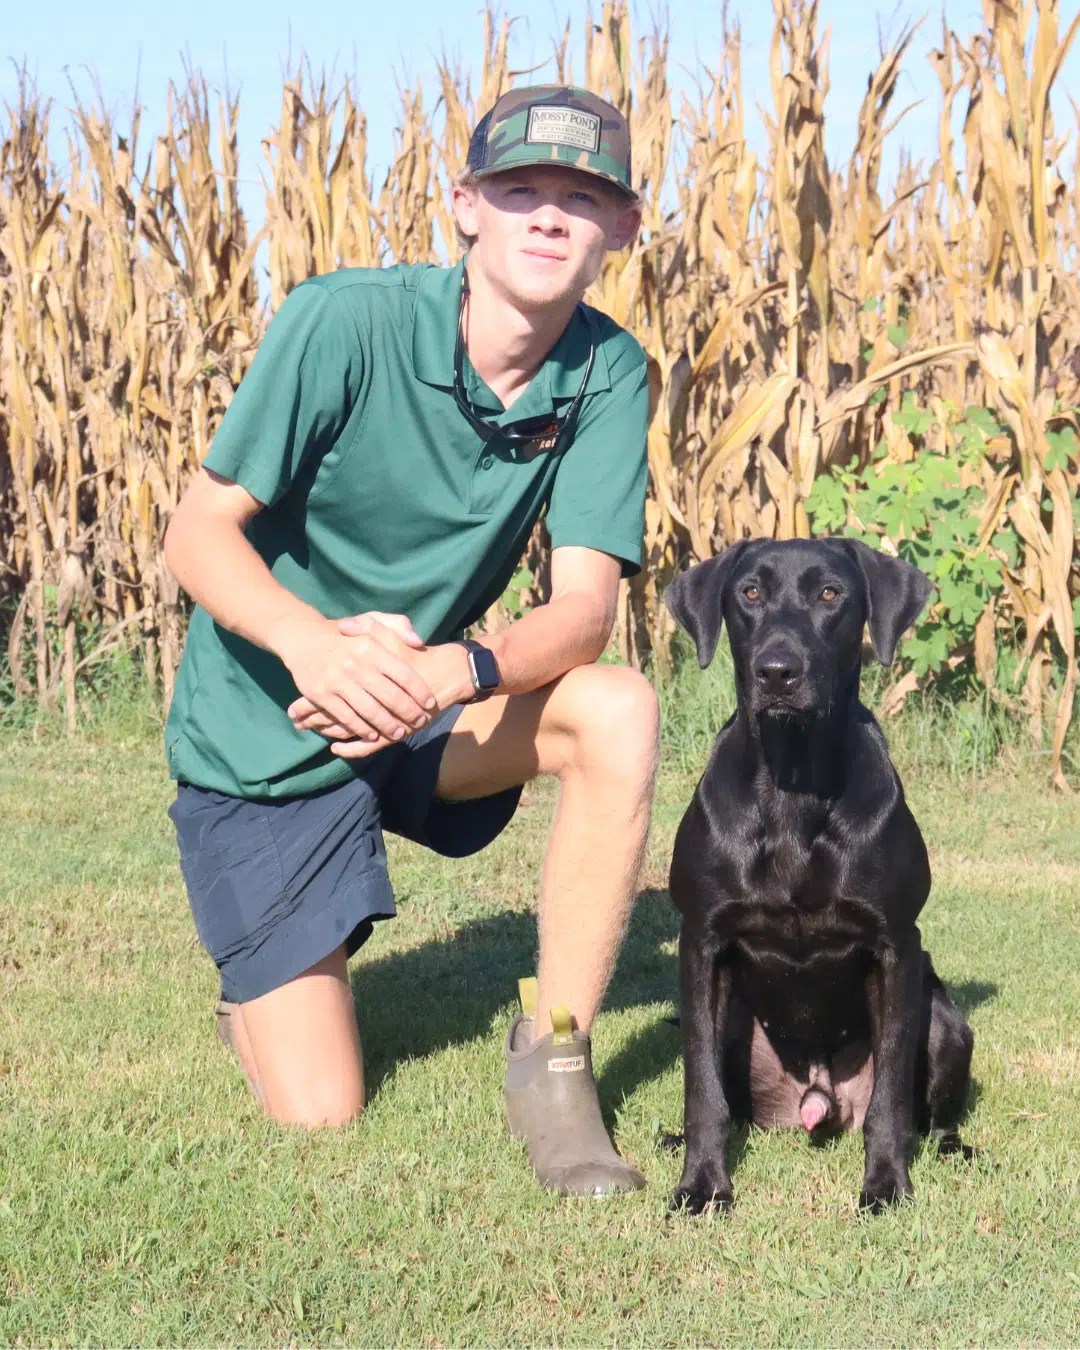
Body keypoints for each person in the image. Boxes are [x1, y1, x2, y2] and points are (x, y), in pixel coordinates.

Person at [163, 85, 659, 1196]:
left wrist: (456, 667)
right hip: (267, 739)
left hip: (423, 705)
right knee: (324, 1114)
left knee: (617, 709)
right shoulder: (346, 322)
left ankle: (556, 1062)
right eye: (519, 188)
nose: (547, 217)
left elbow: (584, 609)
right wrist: (319, 648)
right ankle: (267, 970)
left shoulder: (609, 373)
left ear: (622, 228)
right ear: (464, 207)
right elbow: (195, 533)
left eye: (581, 198)